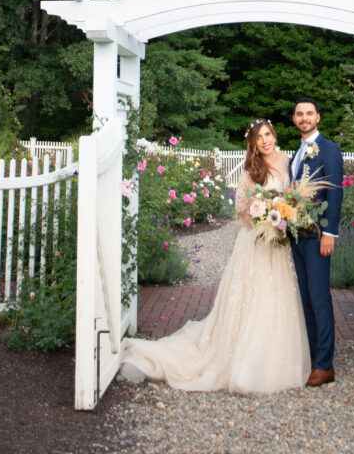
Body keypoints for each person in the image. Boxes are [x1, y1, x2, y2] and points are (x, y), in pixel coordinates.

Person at [119, 119, 311, 393]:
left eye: (268, 134)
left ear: (274, 135)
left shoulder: (287, 161)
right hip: (256, 242)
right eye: (260, 138)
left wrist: (284, 216)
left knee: (277, 297)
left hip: (279, 244)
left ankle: (276, 362)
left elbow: (293, 196)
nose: (266, 140)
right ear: (253, 143)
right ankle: (244, 365)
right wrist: (263, 221)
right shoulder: (250, 169)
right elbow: (241, 211)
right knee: (253, 297)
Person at [289, 97, 343, 386]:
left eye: (309, 113)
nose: (304, 118)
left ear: (318, 117)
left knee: (320, 300)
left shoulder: (329, 149)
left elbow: (335, 192)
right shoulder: (297, 154)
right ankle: (313, 356)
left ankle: (325, 365)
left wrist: (330, 233)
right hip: (298, 235)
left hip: (318, 236)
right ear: (294, 119)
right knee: (306, 299)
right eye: (300, 114)